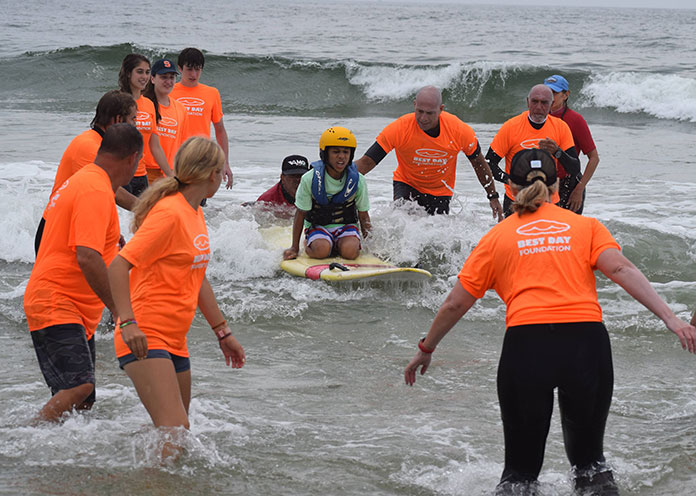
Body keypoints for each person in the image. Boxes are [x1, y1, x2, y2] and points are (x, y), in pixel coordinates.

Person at [404, 148, 696, 495]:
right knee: (591, 469)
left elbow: (455, 303)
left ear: (510, 188)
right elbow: (621, 268)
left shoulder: (496, 238)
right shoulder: (586, 226)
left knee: (520, 477)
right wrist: (672, 320)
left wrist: (426, 348)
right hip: (586, 346)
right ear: (557, 186)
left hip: (527, 348)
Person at [108, 137, 245, 459]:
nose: (223, 174)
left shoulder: (193, 213)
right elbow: (118, 265)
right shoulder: (169, 213)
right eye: (221, 168)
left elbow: (196, 276)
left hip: (175, 338)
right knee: (174, 429)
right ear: (212, 174)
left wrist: (222, 332)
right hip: (145, 332)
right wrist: (127, 323)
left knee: (177, 436)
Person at [24, 124, 143, 423]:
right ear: (132, 159)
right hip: (56, 302)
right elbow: (87, 257)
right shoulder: (93, 189)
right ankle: (22, 437)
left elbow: (96, 246)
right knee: (79, 386)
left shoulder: (91, 181)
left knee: (83, 401)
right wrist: (120, 313)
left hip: (71, 307)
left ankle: (54, 457)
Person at [354, 85, 502, 219]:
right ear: (414, 105)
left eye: (430, 113)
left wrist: (493, 196)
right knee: (402, 221)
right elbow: (367, 162)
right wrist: (334, 175)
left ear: (441, 109)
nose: (423, 118)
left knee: (434, 238)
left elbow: (479, 163)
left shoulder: (459, 131)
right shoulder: (400, 128)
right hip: (407, 183)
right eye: (420, 111)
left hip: (440, 191)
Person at [35, 91, 140, 255]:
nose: (136, 125)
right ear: (119, 120)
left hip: (74, 226)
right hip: (56, 229)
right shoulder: (89, 146)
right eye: (133, 119)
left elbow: (101, 197)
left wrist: (111, 232)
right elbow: (115, 193)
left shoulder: (101, 144)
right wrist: (149, 208)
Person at [486, 84, 581, 217]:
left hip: (549, 201)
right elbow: (488, 163)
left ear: (552, 104)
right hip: (516, 200)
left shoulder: (560, 127)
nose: (539, 107)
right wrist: (511, 180)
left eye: (544, 103)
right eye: (535, 101)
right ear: (527, 102)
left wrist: (557, 152)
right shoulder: (511, 127)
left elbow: (575, 168)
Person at [283, 127, 371, 261]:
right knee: (321, 250)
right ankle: (311, 243)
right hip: (318, 227)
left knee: (350, 252)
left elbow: (363, 215)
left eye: (346, 152)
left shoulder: (358, 180)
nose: (341, 156)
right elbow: (301, 213)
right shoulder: (309, 179)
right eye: (335, 152)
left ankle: (339, 245)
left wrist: (371, 247)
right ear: (325, 154)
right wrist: (294, 247)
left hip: (347, 227)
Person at [171, 47, 233, 189]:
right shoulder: (169, 92)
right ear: (180, 69)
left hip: (201, 159)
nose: (193, 74)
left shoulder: (212, 93)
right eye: (189, 69)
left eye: (198, 69)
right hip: (175, 159)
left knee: (198, 206)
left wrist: (225, 163)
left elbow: (220, 130)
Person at [118, 53, 173, 196]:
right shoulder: (117, 101)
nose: (144, 77)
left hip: (141, 175)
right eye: (139, 72)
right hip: (120, 175)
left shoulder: (149, 104)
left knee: (143, 217)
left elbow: (155, 146)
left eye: (148, 72)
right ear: (128, 73)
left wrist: (172, 176)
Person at [544, 74, 599, 214]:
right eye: (546, 92)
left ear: (566, 95)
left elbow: (594, 158)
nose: (550, 96)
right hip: (544, 184)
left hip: (570, 186)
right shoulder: (538, 118)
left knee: (568, 233)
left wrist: (579, 190)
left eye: (554, 93)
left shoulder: (575, 120)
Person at [142, 59, 188, 184]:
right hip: (146, 172)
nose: (168, 82)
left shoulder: (180, 108)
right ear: (152, 79)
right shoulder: (144, 105)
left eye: (172, 77)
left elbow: (181, 144)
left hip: (169, 173)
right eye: (163, 77)